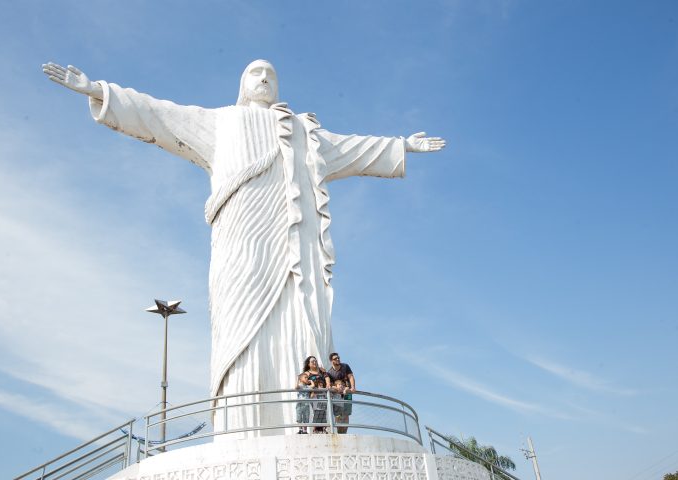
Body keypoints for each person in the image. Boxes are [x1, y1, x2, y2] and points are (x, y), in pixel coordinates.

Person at [41, 60, 445, 436]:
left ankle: (304, 426)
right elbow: (158, 114)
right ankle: (243, 429)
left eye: (271, 73)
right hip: (240, 245)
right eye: (256, 72)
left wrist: (402, 145)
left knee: (296, 320)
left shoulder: (301, 132)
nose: (265, 79)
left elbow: (355, 149)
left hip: (293, 249)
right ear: (242, 84)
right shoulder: (222, 122)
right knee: (239, 331)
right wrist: (98, 90)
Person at [327, 353, 355, 433]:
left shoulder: (345, 366)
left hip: (347, 393)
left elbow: (351, 376)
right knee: (338, 414)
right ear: (331, 361)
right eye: (335, 358)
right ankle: (339, 433)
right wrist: (336, 388)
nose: (338, 359)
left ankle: (344, 433)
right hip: (337, 395)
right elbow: (330, 385)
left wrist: (353, 387)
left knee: (346, 414)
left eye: (338, 358)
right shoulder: (330, 372)